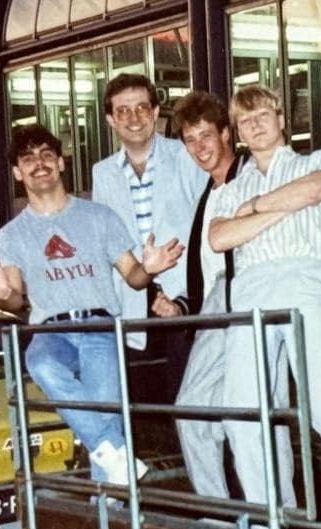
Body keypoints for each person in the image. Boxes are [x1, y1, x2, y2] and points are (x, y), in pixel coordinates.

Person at [207, 85, 321, 529]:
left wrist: (251, 212)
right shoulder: (228, 188)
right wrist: (278, 210)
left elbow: (316, 189)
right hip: (250, 290)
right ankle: (274, 528)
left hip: (305, 283)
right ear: (238, 132)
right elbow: (218, 238)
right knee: (243, 416)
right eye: (245, 121)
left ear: (281, 119)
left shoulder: (317, 160)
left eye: (263, 115)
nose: (255, 125)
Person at [0, 123, 182, 484]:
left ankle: (113, 518)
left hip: (100, 328)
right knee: (39, 361)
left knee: (103, 425)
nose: (39, 164)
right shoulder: (11, 235)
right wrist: (1, 293)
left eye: (47, 155)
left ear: (61, 164)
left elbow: (132, 275)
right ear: (17, 172)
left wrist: (148, 269)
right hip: (53, 330)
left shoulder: (98, 217)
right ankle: (114, 449)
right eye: (28, 159)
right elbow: (16, 300)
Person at [169, 90, 296, 507]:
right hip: (217, 304)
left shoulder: (248, 176)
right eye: (190, 140)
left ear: (227, 133)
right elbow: (206, 265)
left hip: (247, 293)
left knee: (255, 410)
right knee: (215, 413)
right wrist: (184, 306)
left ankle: (274, 512)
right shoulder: (212, 191)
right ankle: (228, 512)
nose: (200, 148)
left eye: (207, 135)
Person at [91, 73, 207, 400]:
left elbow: (208, 216)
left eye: (142, 107)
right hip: (132, 301)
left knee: (190, 399)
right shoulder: (103, 173)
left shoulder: (185, 156)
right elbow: (106, 242)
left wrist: (190, 298)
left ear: (156, 112)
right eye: (123, 111)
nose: (134, 118)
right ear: (110, 119)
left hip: (184, 298)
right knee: (143, 406)